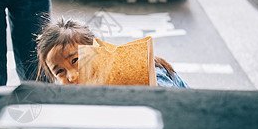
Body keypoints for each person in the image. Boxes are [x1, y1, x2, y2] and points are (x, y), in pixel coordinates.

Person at [36, 18, 190, 88]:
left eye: (76, 60)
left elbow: (171, 110)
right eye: (60, 71)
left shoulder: (147, 75)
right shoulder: (84, 93)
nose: (71, 76)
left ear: (98, 50)